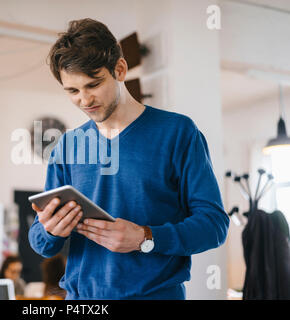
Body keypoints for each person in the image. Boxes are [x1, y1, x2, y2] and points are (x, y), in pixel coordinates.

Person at [28, 18, 229, 300]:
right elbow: (41, 241)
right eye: (73, 91)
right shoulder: (68, 145)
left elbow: (214, 225)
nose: (84, 100)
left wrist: (145, 238)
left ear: (119, 69)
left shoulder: (178, 132)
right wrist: (50, 231)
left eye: (93, 84)